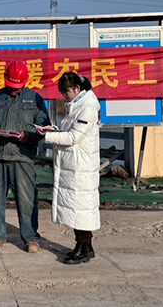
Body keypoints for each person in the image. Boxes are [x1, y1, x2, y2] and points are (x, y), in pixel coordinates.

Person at [0, 60, 51, 253]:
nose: (13, 89)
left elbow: (44, 126)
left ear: (25, 81)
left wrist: (30, 136)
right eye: (10, 85)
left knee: (26, 200)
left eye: (17, 86)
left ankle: (31, 238)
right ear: (5, 80)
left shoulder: (35, 99)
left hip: (22, 157)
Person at [35, 72, 100, 264]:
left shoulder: (87, 107)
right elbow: (69, 131)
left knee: (80, 209)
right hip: (74, 165)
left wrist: (47, 136)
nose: (64, 96)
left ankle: (82, 247)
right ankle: (86, 246)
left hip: (81, 167)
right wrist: (53, 130)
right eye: (62, 92)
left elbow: (74, 137)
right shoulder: (76, 106)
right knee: (76, 207)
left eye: (66, 92)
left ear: (77, 89)